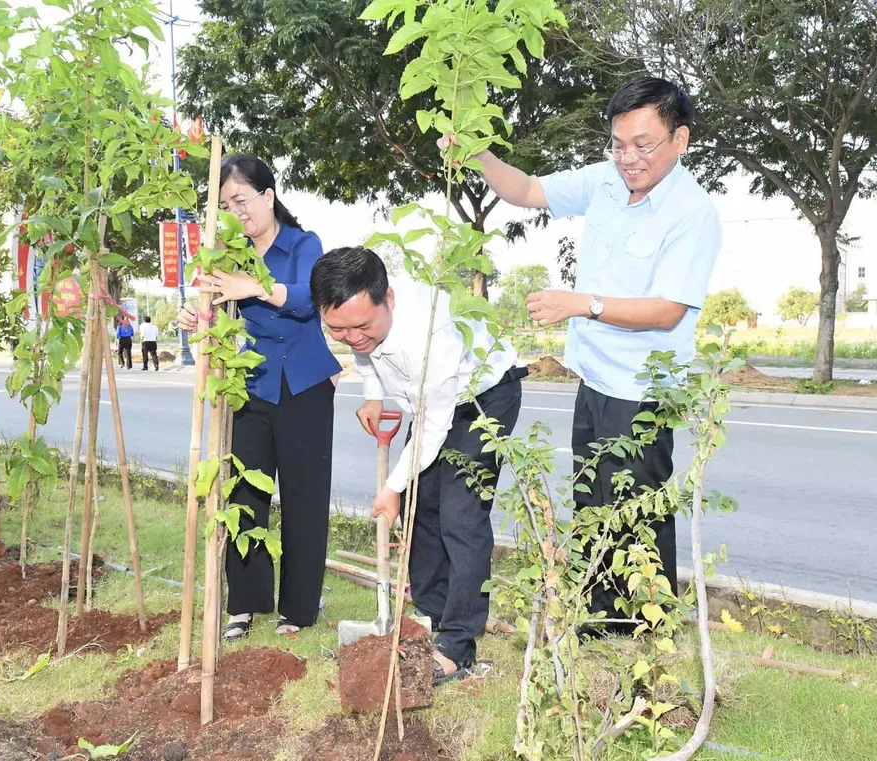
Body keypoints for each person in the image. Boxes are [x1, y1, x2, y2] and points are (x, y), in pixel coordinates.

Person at [443, 76, 721, 627]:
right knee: (594, 503)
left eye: (643, 144)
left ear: (680, 139)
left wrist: (581, 303)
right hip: (595, 378)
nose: (629, 157)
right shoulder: (605, 181)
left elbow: (668, 309)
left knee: (637, 510)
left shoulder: (692, 212)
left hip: (643, 388)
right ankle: (598, 618)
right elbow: (524, 191)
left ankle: (642, 625)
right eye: (618, 144)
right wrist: (477, 153)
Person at [310, 246, 526, 684]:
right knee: (420, 507)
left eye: (362, 325)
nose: (352, 337)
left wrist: (390, 485)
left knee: (460, 517)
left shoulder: (433, 332)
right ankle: (430, 616)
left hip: (481, 399)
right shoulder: (362, 321)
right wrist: (373, 393)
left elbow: (432, 425)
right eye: (338, 329)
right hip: (432, 406)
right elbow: (365, 353)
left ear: (388, 298)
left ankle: (457, 647)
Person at [177, 154, 340, 637]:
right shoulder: (228, 252)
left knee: (305, 497)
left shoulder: (303, 244)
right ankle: (244, 604)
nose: (237, 212)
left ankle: (299, 608)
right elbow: (216, 313)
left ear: (268, 196)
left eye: (243, 200)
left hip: (305, 387)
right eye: (226, 204)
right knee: (245, 492)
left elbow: (310, 299)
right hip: (249, 385)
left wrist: (253, 286)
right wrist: (196, 316)